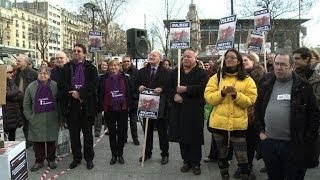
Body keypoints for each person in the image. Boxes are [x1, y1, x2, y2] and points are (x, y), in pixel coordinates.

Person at [255, 51, 320, 180]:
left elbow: (315, 115)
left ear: (292, 66)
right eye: (277, 64)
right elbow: (257, 110)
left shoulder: (303, 86)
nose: (279, 67)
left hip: (293, 145)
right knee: (273, 176)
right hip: (269, 143)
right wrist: (260, 132)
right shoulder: (265, 84)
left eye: (283, 64)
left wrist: (306, 138)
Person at [204, 48, 257, 180]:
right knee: (222, 155)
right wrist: (222, 93)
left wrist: (236, 95)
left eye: (232, 57)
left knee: (242, 156)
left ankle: (245, 174)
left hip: (238, 124)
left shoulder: (247, 79)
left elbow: (251, 100)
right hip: (219, 123)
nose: (229, 59)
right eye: (227, 57)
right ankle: (224, 176)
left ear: (239, 61)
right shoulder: (216, 78)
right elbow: (208, 98)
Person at [58, 43, 98, 170]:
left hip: (86, 106)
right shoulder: (66, 67)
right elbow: (62, 84)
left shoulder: (91, 68)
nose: (76, 52)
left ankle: (89, 158)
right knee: (74, 135)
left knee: (87, 136)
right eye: (74, 50)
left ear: (84, 53)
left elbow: (93, 85)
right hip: (72, 106)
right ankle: (76, 157)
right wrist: (72, 92)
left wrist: (80, 93)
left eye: (79, 51)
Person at [168, 48, 209, 175]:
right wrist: (174, 95)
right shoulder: (176, 72)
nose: (186, 58)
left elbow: (203, 88)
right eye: (184, 56)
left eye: (189, 56)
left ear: (195, 58)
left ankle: (196, 163)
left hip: (194, 110)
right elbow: (168, 87)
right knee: (182, 137)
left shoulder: (202, 73)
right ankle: (186, 161)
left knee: (195, 137)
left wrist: (186, 89)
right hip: (179, 111)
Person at [232, 52, 265, 179]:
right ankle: (241, 166)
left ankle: (248, 167)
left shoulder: (261, 77)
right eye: (241, 61)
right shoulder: (234, 76)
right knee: (239, 144)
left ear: (253, 62)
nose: (243, 62)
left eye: (246, 60)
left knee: (250, 144)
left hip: (253, 116)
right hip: (237, 114)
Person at [136, 49, 170, 165]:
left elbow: (169, 86)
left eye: (154, 55)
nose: (151, 56)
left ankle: (164, 154)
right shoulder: (142, 71)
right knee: (147, 131)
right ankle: (147, 152)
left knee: (162, 132)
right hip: (146, 106)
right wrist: (139, 87)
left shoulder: (166, 72)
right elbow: (136, 83)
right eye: (150, 54)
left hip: (160, 107)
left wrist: (162, 89)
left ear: (159, 58)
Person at [23, 66, 60, 171]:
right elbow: (26, 104)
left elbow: (59, 102)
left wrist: (60, 117)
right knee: (38, 141)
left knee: (51, 140)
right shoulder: (31, 87)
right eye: (40, 73)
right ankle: (39, 161)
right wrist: (30, 117)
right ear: (37, 74)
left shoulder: (55, 86)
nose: (43, 75)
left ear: (49, 75)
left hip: (52, 118)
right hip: (36, 119)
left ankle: (51, 160)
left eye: (45, 73)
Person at [99, 59, 132, 165]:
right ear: (108, 67)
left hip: (122, 109)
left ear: (119, 66)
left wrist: (129, 106)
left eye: (116, 65)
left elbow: (129, 92)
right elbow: (100, 93)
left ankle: (120, 154)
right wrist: (101, 107)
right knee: (112, 133)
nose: (113, 67)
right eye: (111, 66)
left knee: (122, 133)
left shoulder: (125, 78)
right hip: (109, 109)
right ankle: (113, 155)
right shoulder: (103, 78)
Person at [13, 54, 38, 148]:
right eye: (17, 61)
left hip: (31, 103)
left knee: (32, 122)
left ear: (26, 63)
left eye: (19, 61)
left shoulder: (33, 73)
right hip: (19, 102)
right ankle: (28, 141)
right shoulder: (15, 73)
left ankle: (35, 141)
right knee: (25, 124)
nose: (17, 62)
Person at [122, 55, 140, 145]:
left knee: (133, 120)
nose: (126, 63)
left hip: (133, 100)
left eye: (127, 61)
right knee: (123, 121)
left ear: (131, 61)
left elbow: (138, 84)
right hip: (123, 100)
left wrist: (135, 95)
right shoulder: (120, 71)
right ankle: (124, 137)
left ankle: (135, 137)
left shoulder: (136, 72)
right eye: (124, 61)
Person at [3, 65, 23, 141]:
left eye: (12, 72)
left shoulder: (11, 81)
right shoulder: (2, 83)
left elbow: (20, 94)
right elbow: (7, 95)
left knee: (12, 137)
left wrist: (12, 94)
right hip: (6, 114)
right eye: (10, 72)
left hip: (14, 115)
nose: (12, 74)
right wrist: (16, 92)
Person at [95, 59, 109, 137]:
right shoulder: (97, 73)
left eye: (106, 65)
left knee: (107, 113)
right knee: (98, 115)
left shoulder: (109, 74)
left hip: (106, 96)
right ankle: (97, 130)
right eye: (103, 65)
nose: (104, 66)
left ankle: (107, 129)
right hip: (99, 96)